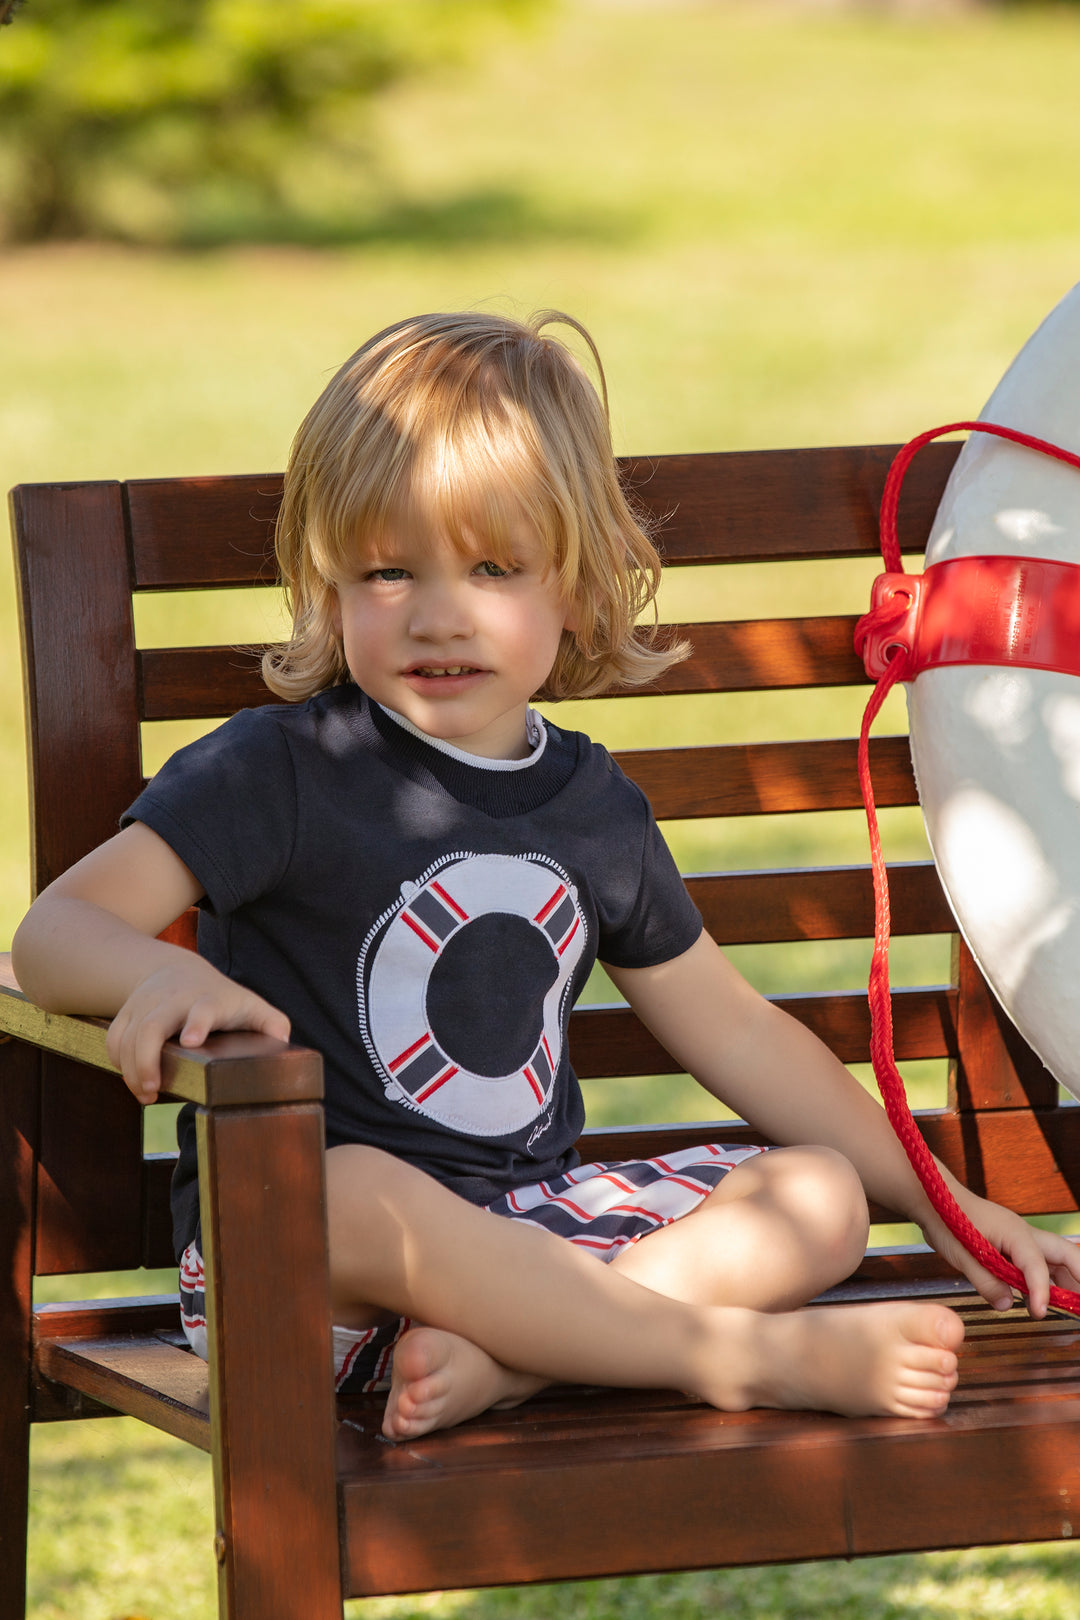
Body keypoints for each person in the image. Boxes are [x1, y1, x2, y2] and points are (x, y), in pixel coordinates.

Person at [13, 310, 1080, 1443]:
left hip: (531, 1234)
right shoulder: (280, 770)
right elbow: (53, 935)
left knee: (817, 1196)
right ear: (327, 582)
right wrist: (156, 980)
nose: (438, 613)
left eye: (493, 568)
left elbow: (738, 1033)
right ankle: (735, 1355)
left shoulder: (589, 803)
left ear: (574, 585)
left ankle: (515, 1363)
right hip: (302, 1267)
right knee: (357, 1188)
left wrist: (937, 1199)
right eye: (388, 570)